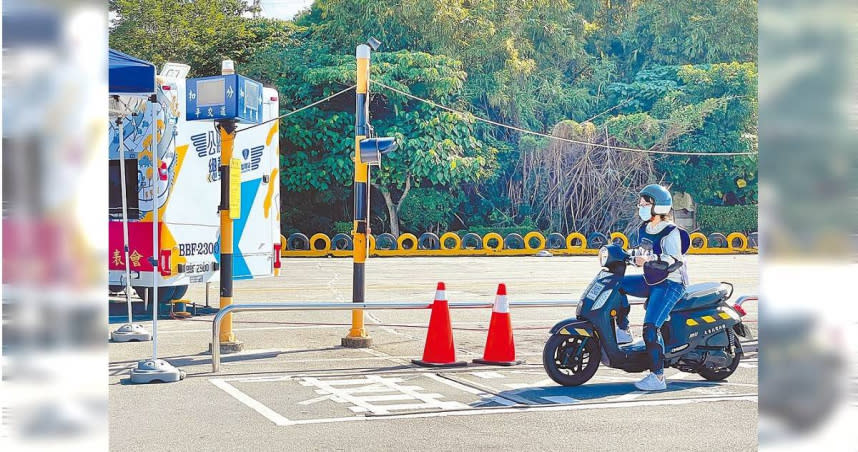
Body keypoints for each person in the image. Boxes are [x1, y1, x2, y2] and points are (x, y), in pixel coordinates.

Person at [614, 184, 688, 391]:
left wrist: (647, 259)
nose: (641, 207)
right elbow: (641, 250)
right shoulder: (644, 228)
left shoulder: (671, 232)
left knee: (650, 327)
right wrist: (625, 255)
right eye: (641, 204)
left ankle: (657, 377)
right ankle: (623, 329)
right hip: (652, 279)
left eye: (646, 204)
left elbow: (673, 260)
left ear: (660, 207)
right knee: (616, 284)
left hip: (671, 283)